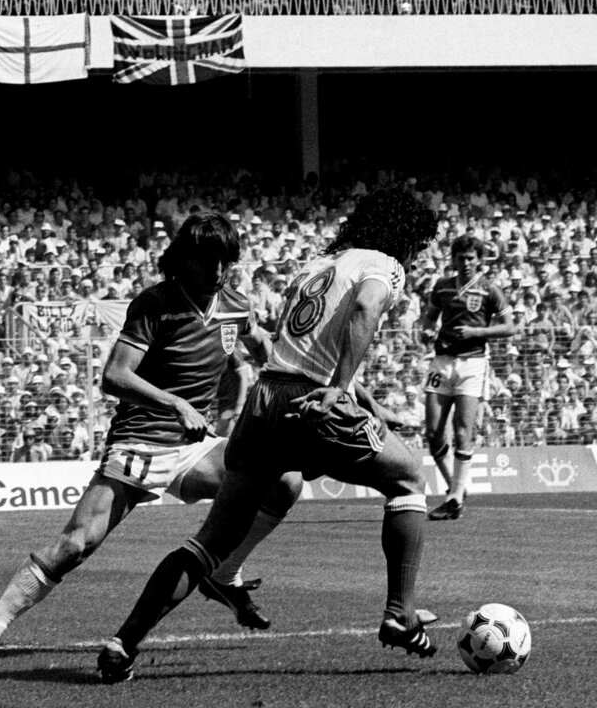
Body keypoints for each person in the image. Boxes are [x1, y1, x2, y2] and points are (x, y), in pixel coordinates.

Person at [95, 187, 440, 683]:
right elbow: (365, 310)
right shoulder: (384, 264)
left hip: (264, 399)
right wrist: (340, 390)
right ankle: (400, 613)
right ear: (405, 235)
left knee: (212, 540)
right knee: (407, 478)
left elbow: (298, 347)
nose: (416, 252)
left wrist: (365, 400)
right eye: (418, 243)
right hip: (309, 402)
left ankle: (122, 642)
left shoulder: (319, 264)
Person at [0, 212, 303, 665]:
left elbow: (255, 344)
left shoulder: (235, 304)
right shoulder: (155, 304)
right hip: (140, 442)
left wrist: (249, 388)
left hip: (194, 449)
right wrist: (176, 404)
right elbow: (114, 376)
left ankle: (224, 572)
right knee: (75, 545)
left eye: (225, 262)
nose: (217, 272)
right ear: (184, 260)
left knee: (284, 480)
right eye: (207, 262)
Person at [421, 234, 516, 520]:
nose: (465, 263)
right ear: (454, 259)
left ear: (479, 261)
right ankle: (456, 488)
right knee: (433, 432)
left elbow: (510, 327)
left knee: (463, 431)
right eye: (461, 258)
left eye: (471, 258)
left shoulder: (490, 290)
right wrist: (425, 330)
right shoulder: (442, 287)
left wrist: (478, 333)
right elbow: (429, 318)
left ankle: (453, 499)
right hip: (441, 362)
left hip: (473, 364)